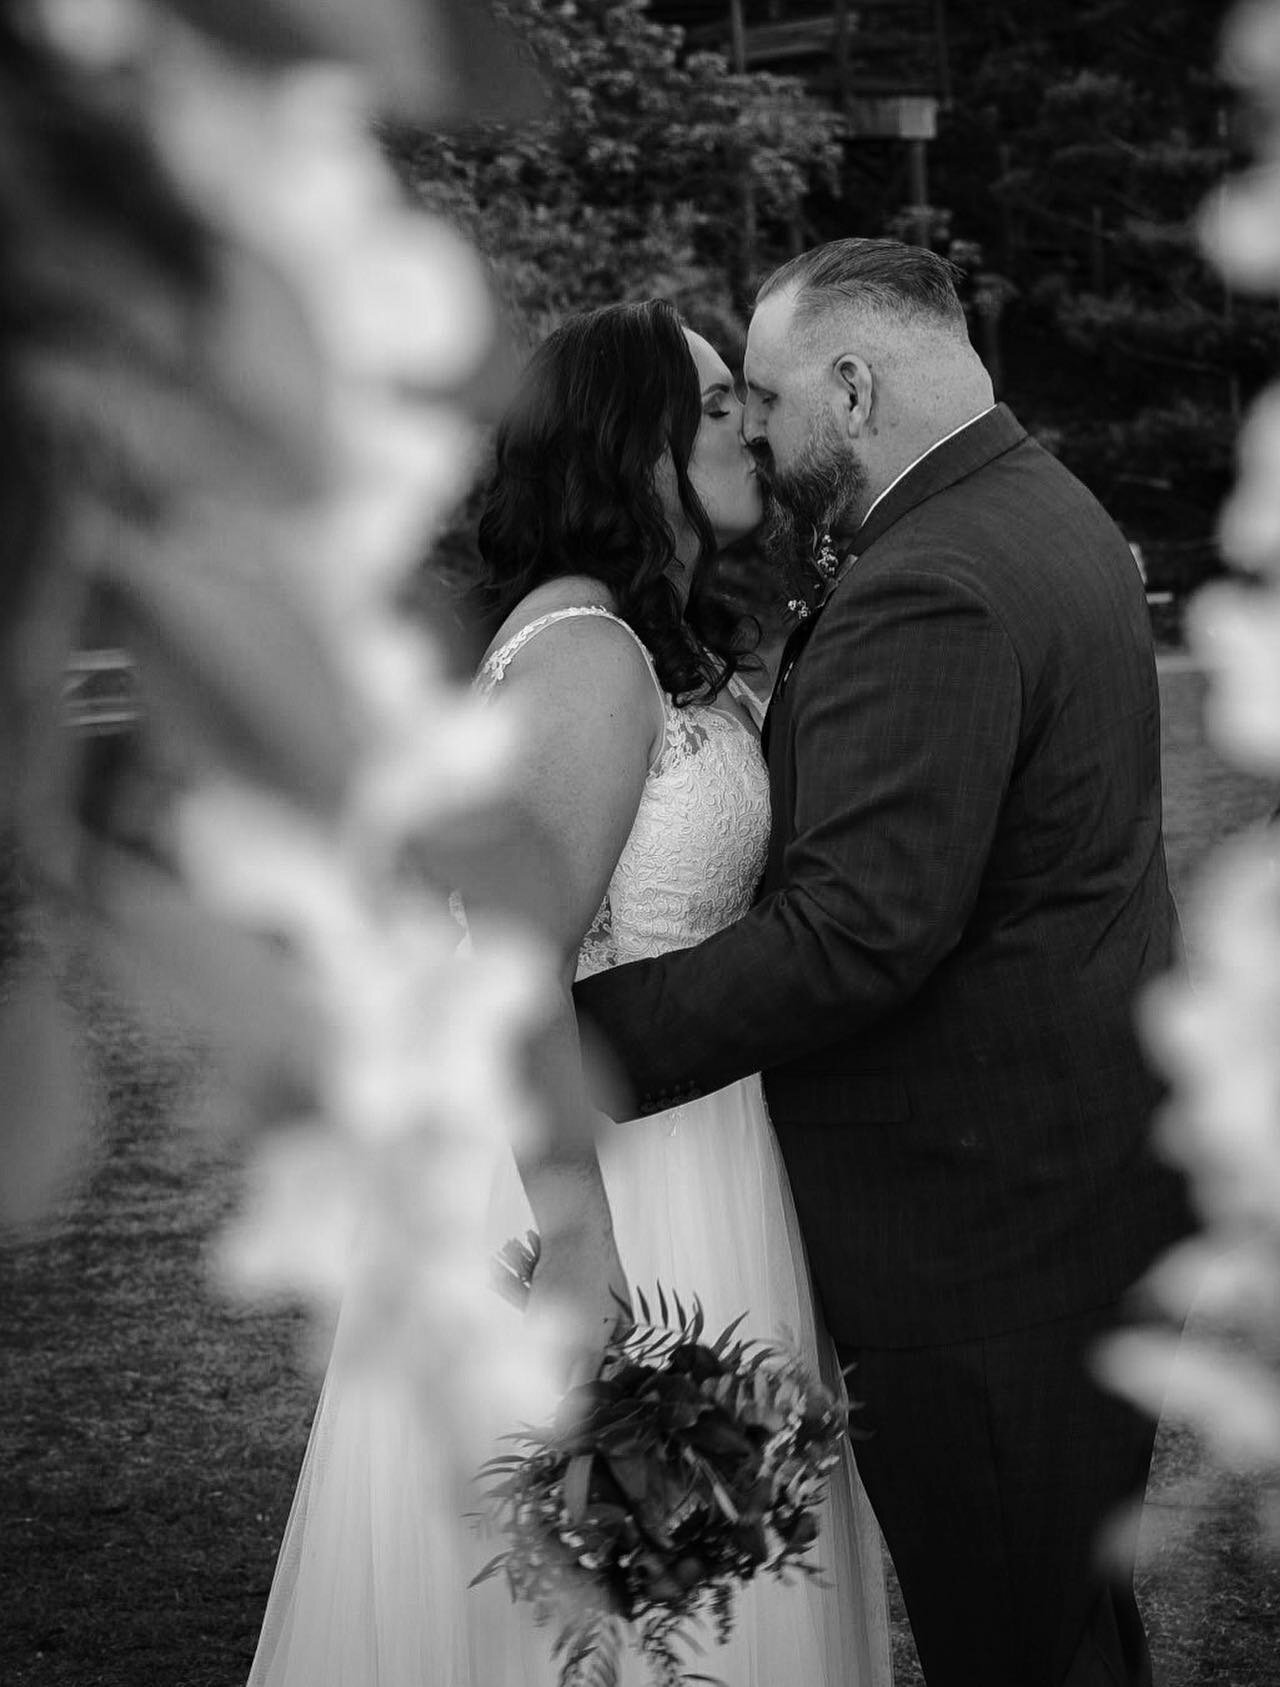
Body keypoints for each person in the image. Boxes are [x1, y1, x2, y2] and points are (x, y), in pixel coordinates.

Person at [574, 241, 1196, 1686]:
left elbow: (859, 932)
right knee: (1058, 1621)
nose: (757, 432)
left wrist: (567, 1040)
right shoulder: (1045, 509)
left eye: (773, 397)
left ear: (852, 387)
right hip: (1072, 1181)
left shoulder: (934, 577)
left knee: (1015, 1642)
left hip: (977, 1235)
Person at [246, 299, 891, 1687]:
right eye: (718, 405)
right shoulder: (587, 660)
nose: (754, 428)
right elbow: (514, 966)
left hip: (695, 1133)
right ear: (631, 444)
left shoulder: (620, 638)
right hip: (612, 1178)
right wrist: (582, 1249)